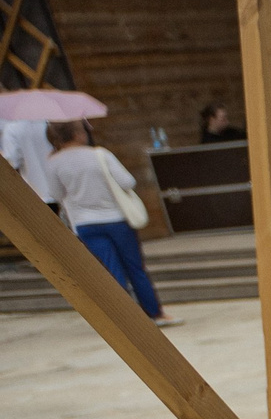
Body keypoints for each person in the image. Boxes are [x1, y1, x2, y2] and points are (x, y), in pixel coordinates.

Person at [45, 122, 174, 326]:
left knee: (111, 271)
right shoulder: (100, 155)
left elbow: (56, 194)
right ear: (78, 133)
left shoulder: (53, 162)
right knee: (135, 267)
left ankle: (128, 320)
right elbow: (127, 182)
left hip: (85, 223)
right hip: (116, 219)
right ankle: (155, 314)